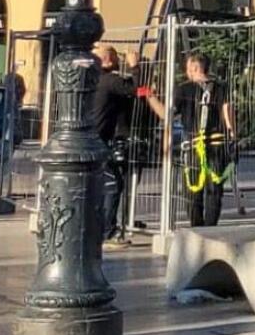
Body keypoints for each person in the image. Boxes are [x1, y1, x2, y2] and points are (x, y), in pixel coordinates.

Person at [142, 52, 234, 227]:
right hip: (217, 145)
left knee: (193, 189)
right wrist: (232, 136)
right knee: (214, 190)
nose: (187, 73)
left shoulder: (184, 89)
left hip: (192, 145)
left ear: (195, 68)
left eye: (188, 69)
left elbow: (167, 116)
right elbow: (227, 111)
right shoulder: (221, 88)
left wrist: (150, 97)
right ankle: (211, 227)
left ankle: (196, 226)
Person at [92, 46, 139, 247]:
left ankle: (97, 229)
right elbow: (135, 89)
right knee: (113, 185)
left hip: (89, 140)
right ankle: (108, 233)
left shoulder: (95, 81)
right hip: (97, 142)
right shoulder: (110, 81)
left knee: (98, 186)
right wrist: (135, 66)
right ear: (109, 61)